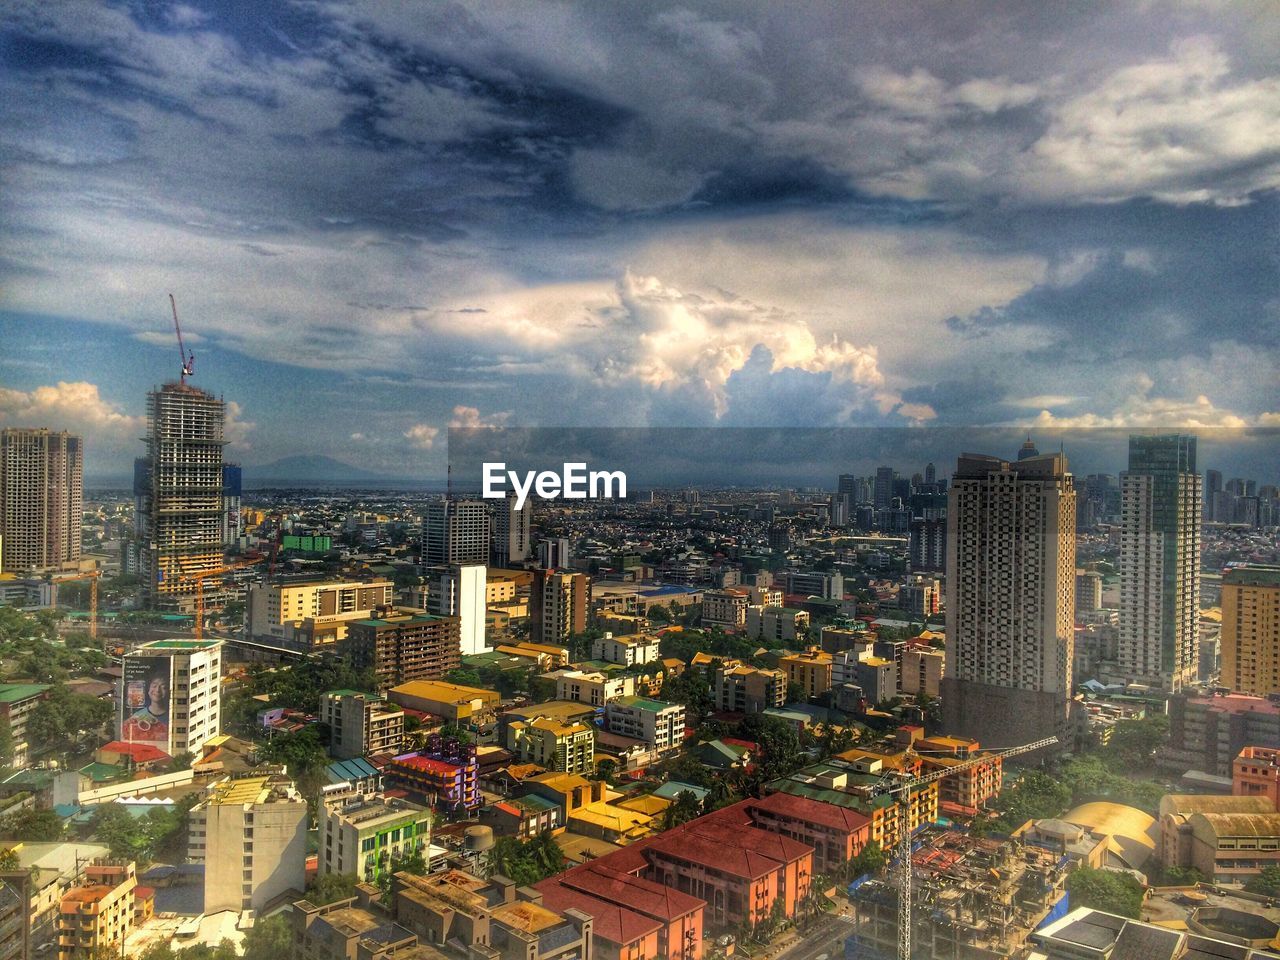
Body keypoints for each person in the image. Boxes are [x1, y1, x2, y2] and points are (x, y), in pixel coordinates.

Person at [122, 675, 169, 743]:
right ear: (148, 689)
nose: (157, 690)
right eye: (154, 686)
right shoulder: (137, 716)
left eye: (163, 687)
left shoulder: (172, 716)